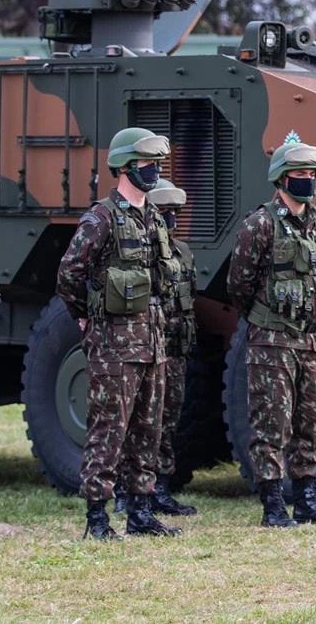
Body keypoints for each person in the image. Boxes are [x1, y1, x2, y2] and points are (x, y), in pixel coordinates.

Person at [56, 127, 181, 540]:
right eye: (147, 165)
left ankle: (141, 511)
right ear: (125, 166)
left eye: (157, 165)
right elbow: (69, 274)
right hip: (115, 346)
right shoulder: (103, 217)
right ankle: (98, 517)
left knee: (148, 429)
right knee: (109, 430)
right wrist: (86, 317)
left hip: (153, 344)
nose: (155, 171)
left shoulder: (152, 218)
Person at [227, 141, 316, 527]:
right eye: (300, 174)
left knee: (314, 420)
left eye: (313, 174)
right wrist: (266, 319)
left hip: (313, 339)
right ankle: (272, 504)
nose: (308, 181)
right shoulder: (260, 225)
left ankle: (308, 499)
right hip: (272, 340)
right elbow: (239, 284)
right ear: (281, 178)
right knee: (271, 422)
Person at [134, 178, 199, 516]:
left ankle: (160, 487)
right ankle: (128, 488)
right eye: (165, 212)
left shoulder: (182, 253)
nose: (172, 219)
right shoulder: (137, 251)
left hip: (174, 350)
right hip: (144, 350)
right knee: (138, 421)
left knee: (168, 419)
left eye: (176, 212)